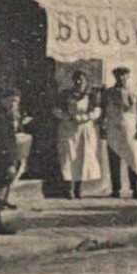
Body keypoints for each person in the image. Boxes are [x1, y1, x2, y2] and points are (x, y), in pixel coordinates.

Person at [0, 83, 26, 234]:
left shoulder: (7, 115)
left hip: (1, 157)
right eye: (11, 100)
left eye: (16, 101)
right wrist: (9, 162)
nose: (14, 104)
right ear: (3, 100)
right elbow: (2, 142)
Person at [54, 70, 103, 199]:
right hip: (69, 129)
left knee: (83, 157)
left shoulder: (92, 95)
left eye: (81, 79)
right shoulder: (65, 95)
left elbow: (97, 111)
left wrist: (87, 117)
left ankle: (78, 189)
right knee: (68, 157)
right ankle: (68, 188)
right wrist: (68, 117)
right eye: (76, 79)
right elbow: (56, 110)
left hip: (85, 129)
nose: (79, 82)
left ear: (86, 81)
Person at [101, 67, 137, 200]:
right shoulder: (108, 93)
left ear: (128, 76)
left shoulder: (135, 92)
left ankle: (136, 188)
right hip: (113, 128)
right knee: (114, 158)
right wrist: (103, 128)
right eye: (118, 76)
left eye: (123, 75)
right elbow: (103, 111)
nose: (121, 78)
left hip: (130, 128)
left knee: (134, 158)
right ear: (114, 77)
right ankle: (116, 189)